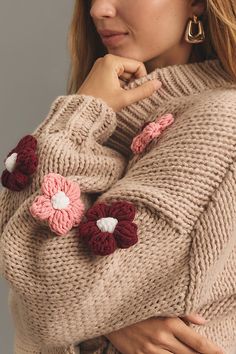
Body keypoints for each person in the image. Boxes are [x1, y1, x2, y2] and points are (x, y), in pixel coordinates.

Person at [0, 1, 235, 354]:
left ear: (198, 3)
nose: (99, 10)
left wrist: (79, 114)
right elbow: (28, 279)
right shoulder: (114, 118)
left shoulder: (219, 122)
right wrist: (108, 322)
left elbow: (45, 298)